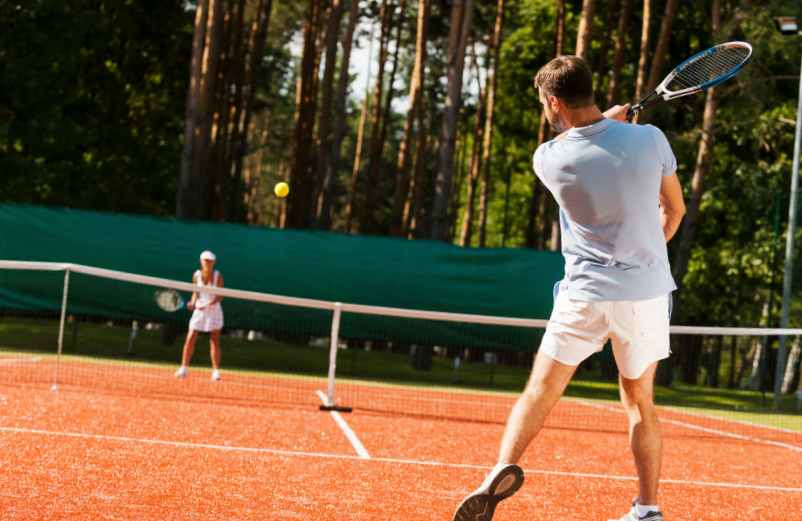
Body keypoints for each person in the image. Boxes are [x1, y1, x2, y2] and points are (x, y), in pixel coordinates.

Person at [453, 55, 686, 521]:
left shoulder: (549, 158)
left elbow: (581, 142)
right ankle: (648, 508)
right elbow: (674, 211)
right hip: (643, 295)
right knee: (639, 402)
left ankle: (499, 469)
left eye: (544, 102)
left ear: (554, 101)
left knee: (539, 390)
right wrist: (645, 255)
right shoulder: (651, 140)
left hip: (584, 294)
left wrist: (608, 124)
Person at [174, 250, 226, 381]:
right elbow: (195, 293)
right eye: (205, 260)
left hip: (214, 310)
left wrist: (207, 304)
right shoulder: (196, 275)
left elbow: (220, 296)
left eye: (210, 261)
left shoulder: (218, 276)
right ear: (201, 261)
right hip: (200, 310)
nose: (207, 263)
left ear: (213, 262)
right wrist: (192, 303)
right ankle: (183, 368)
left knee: (214, 340)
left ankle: (216, 372)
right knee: (190, 337)